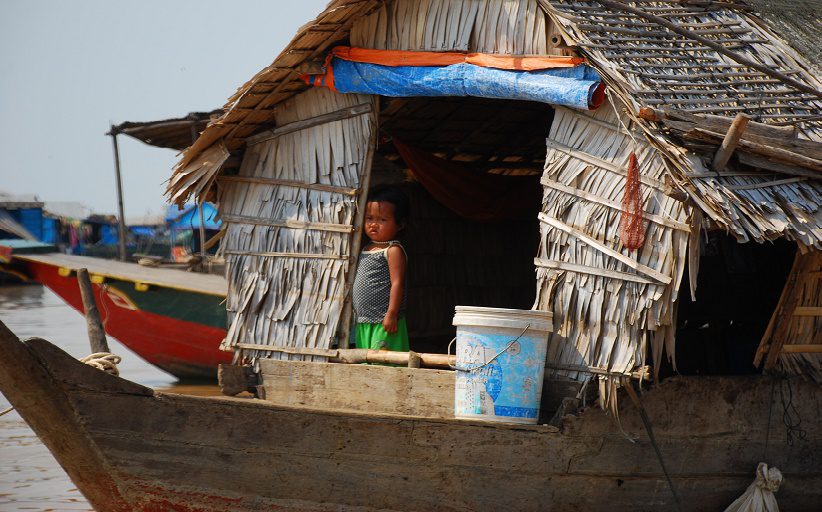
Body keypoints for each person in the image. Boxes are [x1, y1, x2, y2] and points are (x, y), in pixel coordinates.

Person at [352, 186, 410, 352]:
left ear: (401, 224)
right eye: (369, 218)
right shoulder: (366, 247)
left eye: (382, 220)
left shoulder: (393, 250)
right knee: (366, 360)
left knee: (385, 362)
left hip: (384, 321)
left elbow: (397, 283)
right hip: (364, 320)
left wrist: (391, 314)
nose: (373, 224)